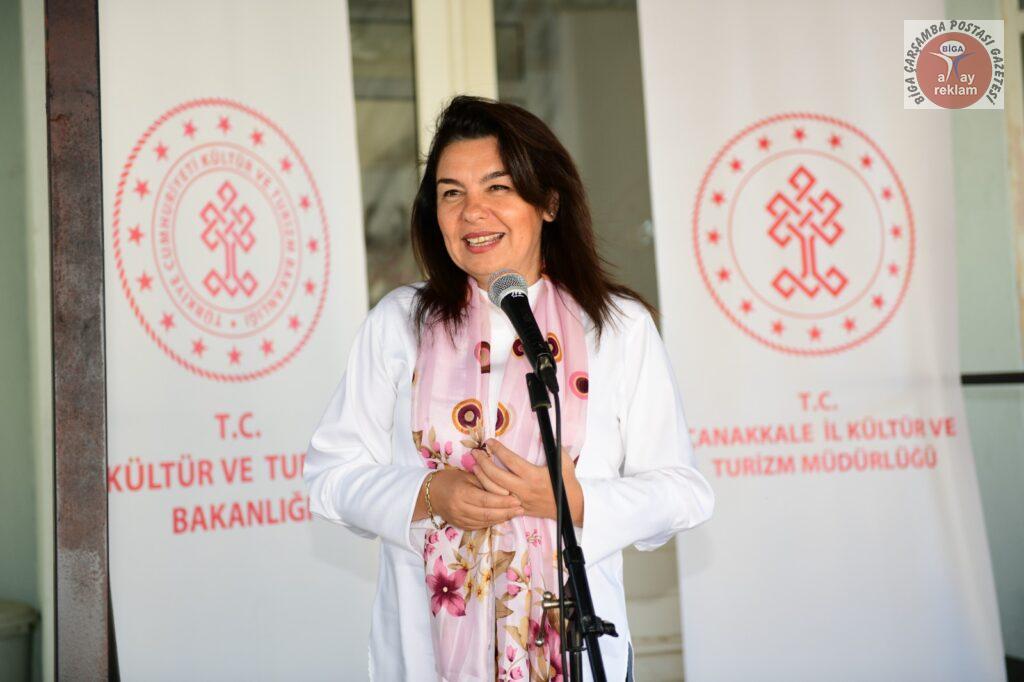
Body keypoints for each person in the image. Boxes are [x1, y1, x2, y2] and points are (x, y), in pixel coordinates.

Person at [304, 95, 714, 682]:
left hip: (578, 657)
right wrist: (429, 493)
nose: (473, 211)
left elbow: (685, 493)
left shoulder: (616, 326)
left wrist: (572, 503)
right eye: (451, 193)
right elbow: (330, 479)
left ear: (548, 202)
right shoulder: (399, 323)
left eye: (497, 187)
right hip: (425, 659)